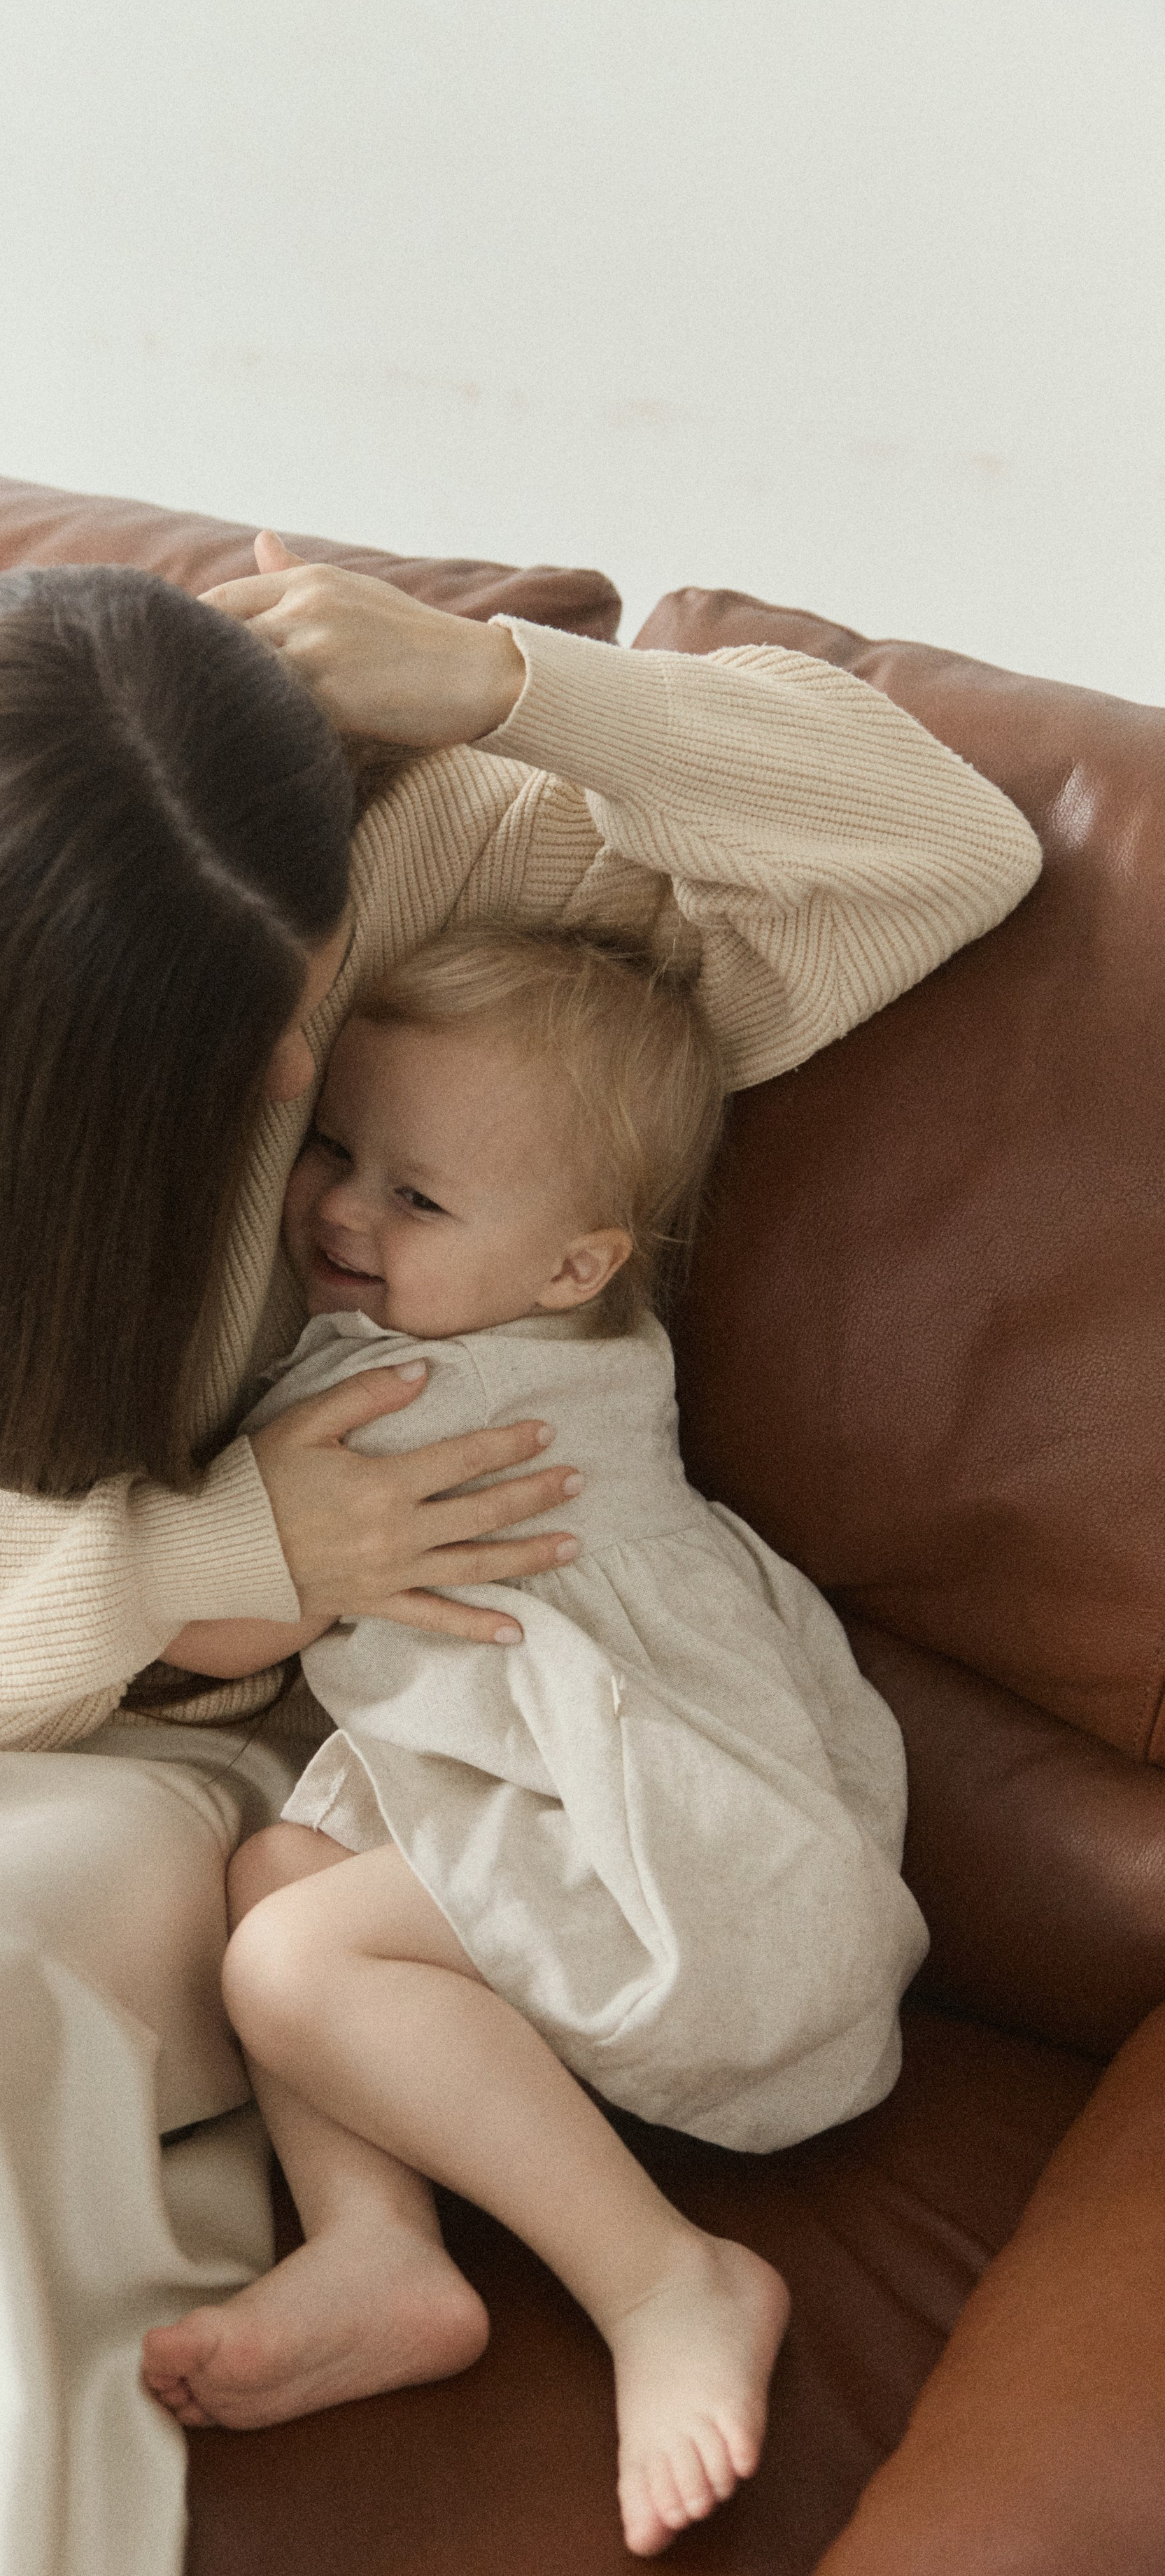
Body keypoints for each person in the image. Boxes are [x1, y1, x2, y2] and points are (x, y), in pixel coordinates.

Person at [0, 536, 1041, 2576]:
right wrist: (203, 1538)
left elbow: (939, 850)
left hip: (209, 1732)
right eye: (212, 1037)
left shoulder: (413, 863)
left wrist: (503, 683)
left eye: (301, 997)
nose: (285, 1082)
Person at [136, 926, 931, 2556]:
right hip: (588, 1787)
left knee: (287, 1962)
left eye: (413, 1198)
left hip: (672, 1866)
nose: (341, 1210)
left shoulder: (399, 1402)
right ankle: (380, 2249)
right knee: (279, 1856)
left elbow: (206, 1627)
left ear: (576, 1263)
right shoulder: (568, 1343)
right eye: (333, 1150)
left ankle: (666, 2278)